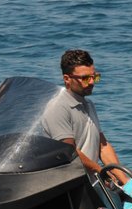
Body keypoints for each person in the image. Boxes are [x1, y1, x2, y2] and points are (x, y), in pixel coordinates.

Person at [41, 49, 127, 183]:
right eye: (85, 78)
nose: (92, 82)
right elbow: (69, 151)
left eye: (94, 77)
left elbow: (102, 146)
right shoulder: (57, 107)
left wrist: (126, 182)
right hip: (66, 185)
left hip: (88, 182)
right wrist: (100, 171)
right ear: (67, 79)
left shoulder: (89, 104)